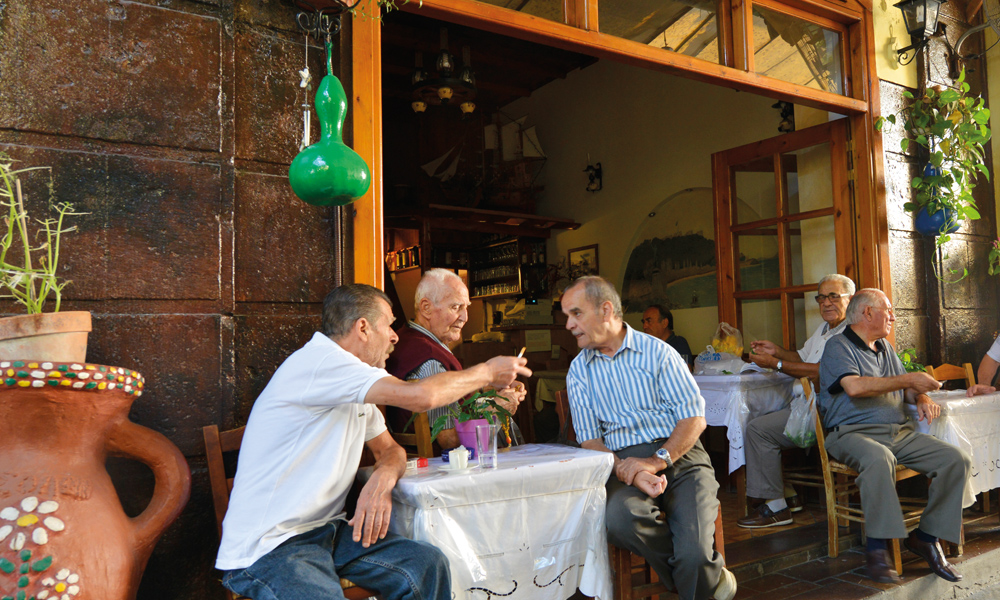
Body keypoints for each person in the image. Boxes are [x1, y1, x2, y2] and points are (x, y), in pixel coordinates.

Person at [216, 284, 531, 600]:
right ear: (363, 328)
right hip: (271, 544)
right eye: (389, 325)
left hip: (328, 532)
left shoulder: (357, 381)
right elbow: (420, 397)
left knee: (426, 564)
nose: (395, 336)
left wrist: (382, 480)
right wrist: (488, 372)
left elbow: (390, 450)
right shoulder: (323, 363)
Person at [563, 276, 736, 600]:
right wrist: (630, 469)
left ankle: (698, 567)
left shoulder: (659, 353)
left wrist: (657, 461)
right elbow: (590, 440)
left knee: (695, 552)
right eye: (567, 316)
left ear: (605, 310)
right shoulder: (579, 370)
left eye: (576, 313)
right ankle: (707, 578)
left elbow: (693, 418)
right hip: (624, 463)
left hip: (681, 455)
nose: (570, 325)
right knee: (620, 519)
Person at [817, 288, 971, 584]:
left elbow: (905, 390)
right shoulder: (837, 346)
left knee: (955, 459)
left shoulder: (884, 347)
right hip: (851, 433)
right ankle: (877, 549)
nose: (893, 316)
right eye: (887, 310)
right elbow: (854, 387)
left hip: (898, 433)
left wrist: (921, 396)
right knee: (878, 458)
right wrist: (909, 379)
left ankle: (925, 537)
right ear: (867, 313)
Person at [737, 274, 855, 528]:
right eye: (821, 297)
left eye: (833, 296)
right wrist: (777, 351)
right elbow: (802, 357)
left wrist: (776, 364)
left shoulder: (850, 333)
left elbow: (821, 372)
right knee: (757, 420)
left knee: (758, 430)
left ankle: (776, 505)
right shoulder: (825, 329)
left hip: (828, 413)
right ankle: (784, 494)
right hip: (806, 407)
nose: (826, 303)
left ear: (851, 299)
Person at [385, 268, 526, 450]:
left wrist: (489, 389)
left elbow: (455, 402)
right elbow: (449, 439)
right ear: (426, 308)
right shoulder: (429, 359)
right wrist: (497, 407)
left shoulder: (406, 338)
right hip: (441, 469)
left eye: (466, 307)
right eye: (455, 307)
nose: (465, 317)